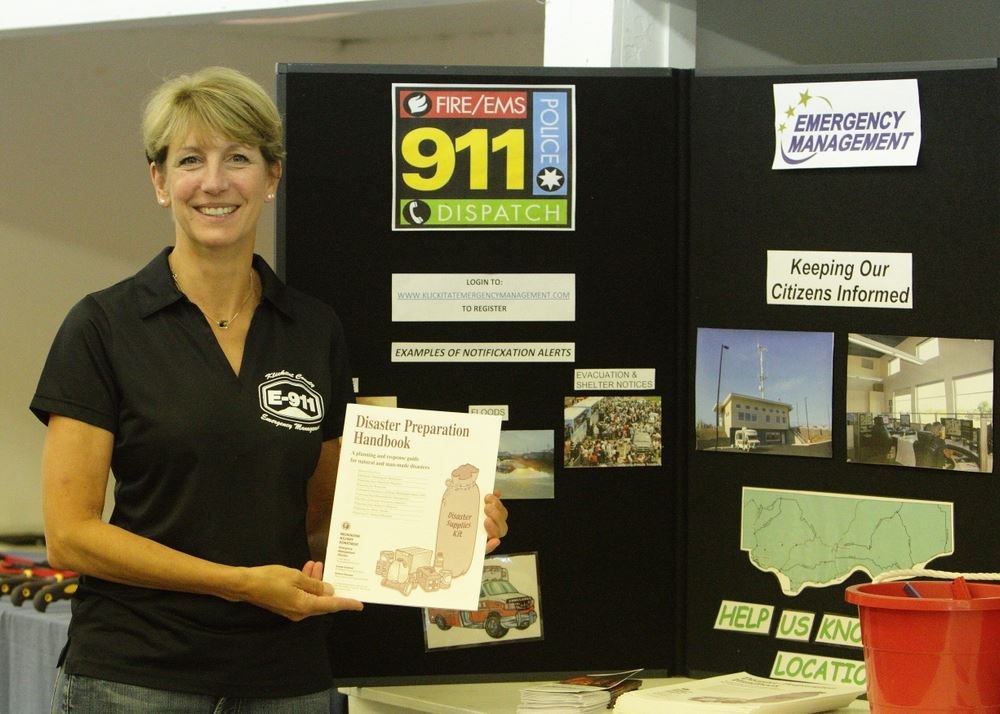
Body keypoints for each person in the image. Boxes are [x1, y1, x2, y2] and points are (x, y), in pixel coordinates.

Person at [30, 66, 509, 713]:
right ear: (160, 181)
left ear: (272, 177)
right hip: (137, 675)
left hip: (287, 677)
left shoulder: (313, 329)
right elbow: (71, 535)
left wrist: (450, 525)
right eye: (191, 159)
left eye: (239, 158)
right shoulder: (103, 326)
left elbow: (320, 529)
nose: (215, 181)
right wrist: (239, 584)